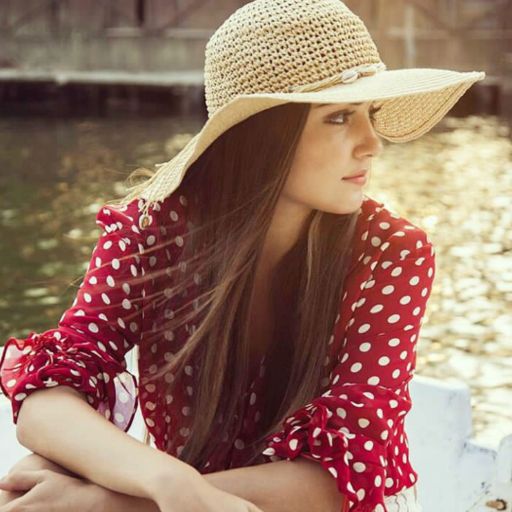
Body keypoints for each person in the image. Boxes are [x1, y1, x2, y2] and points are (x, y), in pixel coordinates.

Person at [0, 0, 485, 511]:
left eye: (370, 115)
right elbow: (48, 402)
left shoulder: (390, 254)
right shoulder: (153, 231)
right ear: (264, 133)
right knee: (41, 471)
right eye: (340, 117)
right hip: (185, 496)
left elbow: (340, 476)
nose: (371, 144)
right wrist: (169, 484)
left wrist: (115, 504)